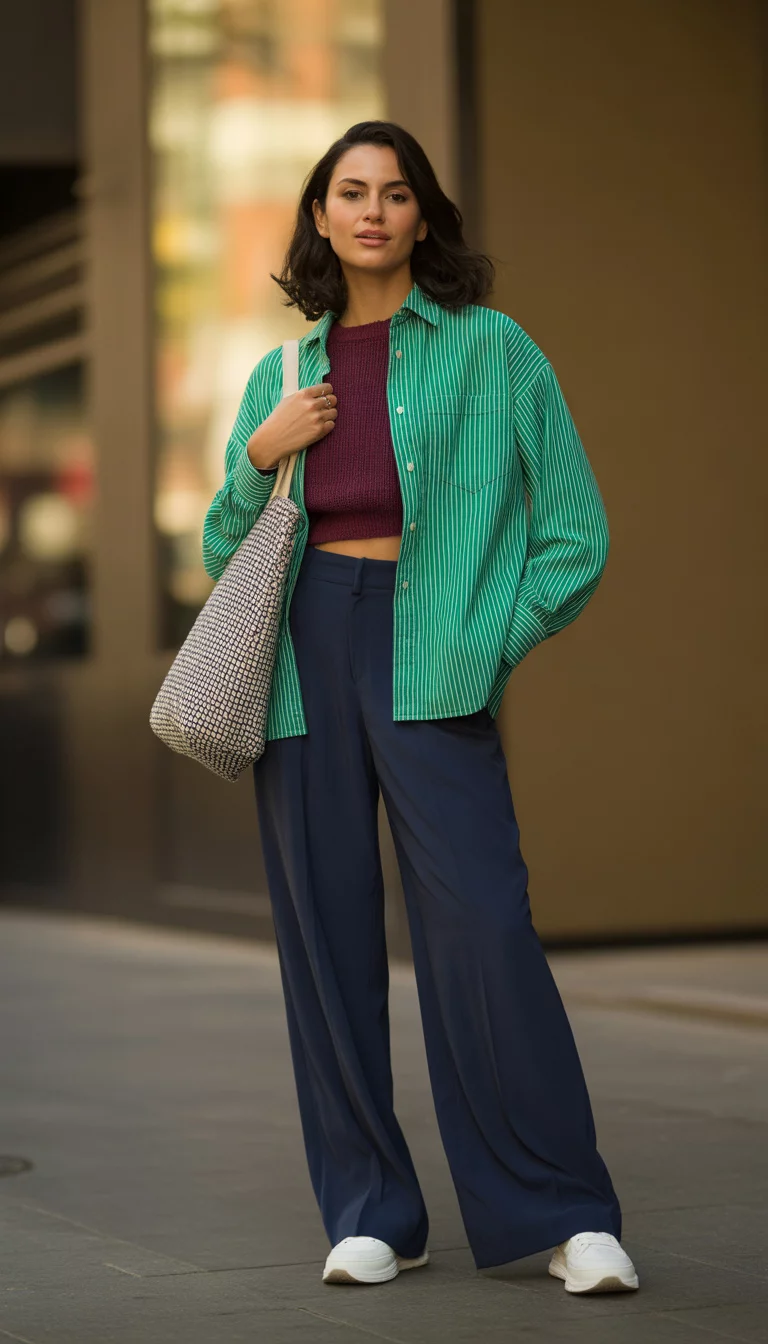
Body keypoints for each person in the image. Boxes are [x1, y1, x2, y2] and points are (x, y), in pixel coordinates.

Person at [202, 120, 639, 1296]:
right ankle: (371, 1210)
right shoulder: (280, 373)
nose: (373, 211)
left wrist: (489, 635)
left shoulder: (497, 352)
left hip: (431, 647)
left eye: (396, 193)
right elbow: (220, 547)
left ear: (425, 215)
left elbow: (574, 536)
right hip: (303, 654)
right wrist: (257, 455)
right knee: (326, 936)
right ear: (321, 216)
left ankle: (564, 1209)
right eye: (350, 193)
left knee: (485, 927)